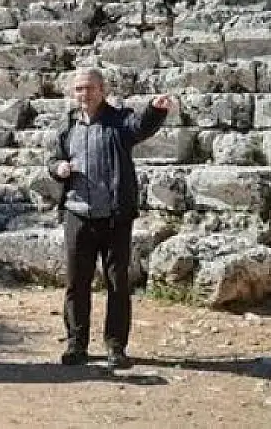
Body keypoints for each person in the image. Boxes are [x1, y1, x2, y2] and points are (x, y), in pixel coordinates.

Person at [47, 68, 172, 371]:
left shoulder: (119, 121)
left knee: (117, 284)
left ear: (102, 90)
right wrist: (58, 168)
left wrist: (155, 110)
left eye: (89, 88)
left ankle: (116, 347)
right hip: (78, 214)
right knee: (77, 284)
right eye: (78, 89)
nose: (84, 95)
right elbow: (52, 159)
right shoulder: (67, 125)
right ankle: (76, 345)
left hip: (115, 216)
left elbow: (140, 126)